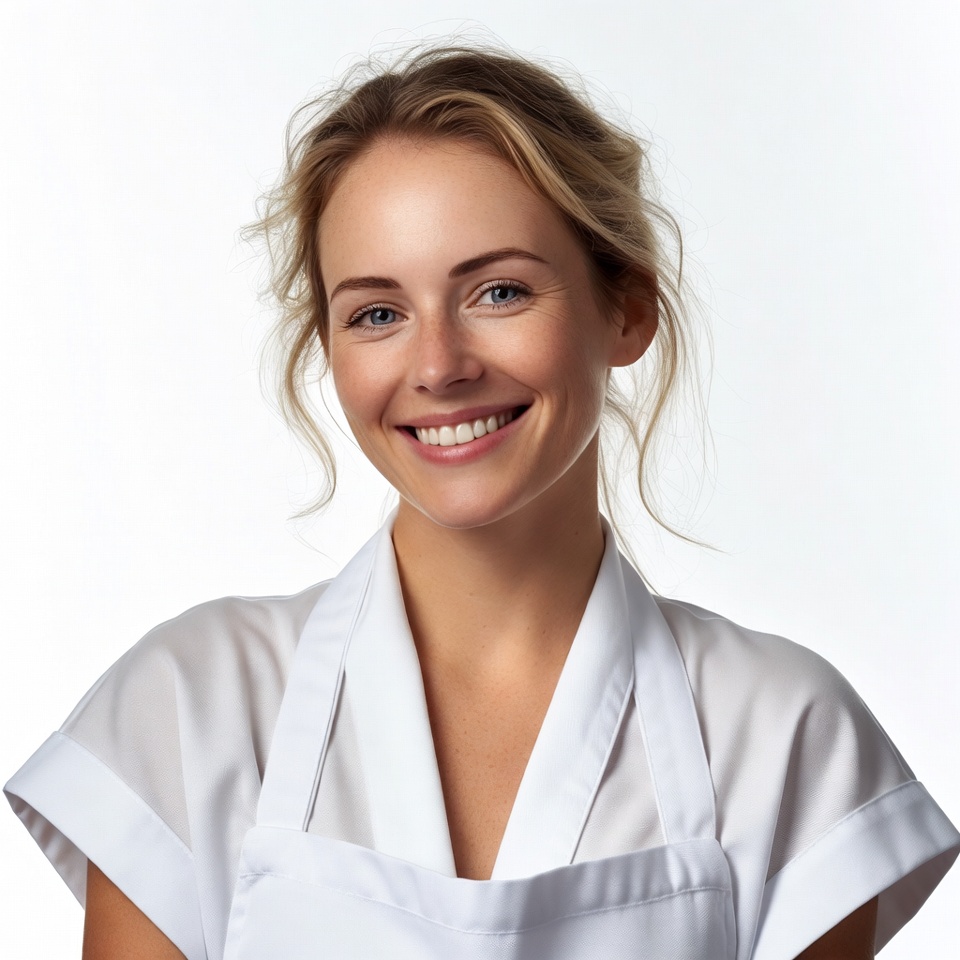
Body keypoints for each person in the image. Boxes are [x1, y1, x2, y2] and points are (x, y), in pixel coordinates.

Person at [5, 41, 958, 960]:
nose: (438, 366)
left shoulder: (786, 736)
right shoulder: (191, 707)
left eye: (498, 292)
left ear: (627, 308)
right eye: (378, 313)